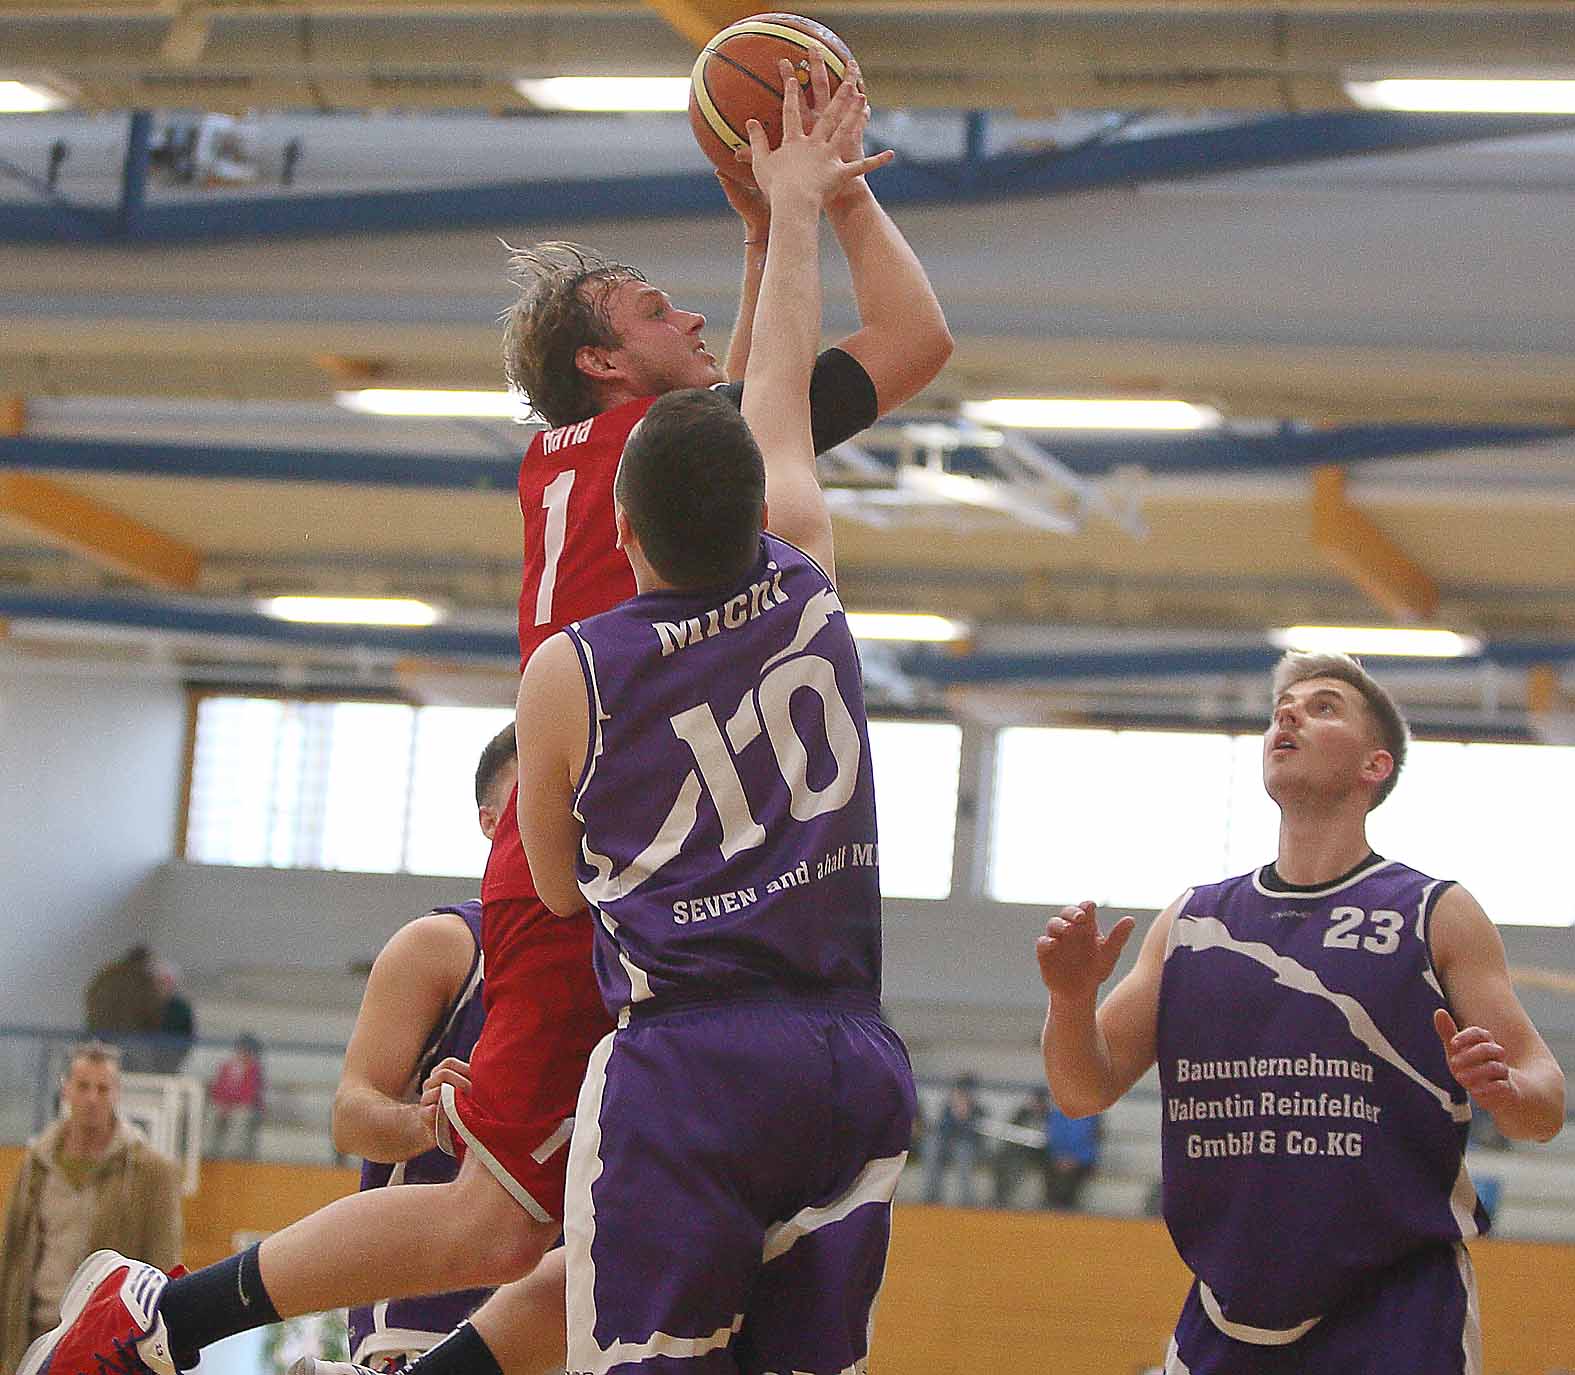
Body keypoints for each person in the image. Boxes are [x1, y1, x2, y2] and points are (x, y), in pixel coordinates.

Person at [26, 59, 944, 1375]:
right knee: (494, 1219)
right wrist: (807, 201)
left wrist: (768, 231)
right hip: (592, 880)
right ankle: (160, 1319)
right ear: (602, 362)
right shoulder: (677, 456)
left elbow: (778, 390)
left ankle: (179, 1324)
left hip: (626, 865)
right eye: (653, 306)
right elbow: (884, 352)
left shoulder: (622, 455)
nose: (688, 311)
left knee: (575, 1234)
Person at [512, 70, 915, 1375]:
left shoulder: (575, 659)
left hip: (685, 1053)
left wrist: (775, 218)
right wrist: (796, 210)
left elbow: (560, 892)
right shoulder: (801, 570)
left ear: (624, 526)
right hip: (847, 1053)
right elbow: (788, 389)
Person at [1038, 651, 1567, 1374]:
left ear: (1375, 765)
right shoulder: (1192, 920)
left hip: (1397, 1306)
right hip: (1226, 1308)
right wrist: (1070, 1000)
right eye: (1281, 709)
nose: (1288, 713)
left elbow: (1544, 1102)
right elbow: (1081, 1088)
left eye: (1323, 707)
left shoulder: (1432, 910)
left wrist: (1506, 1089)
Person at [338, 726, 514, 1371]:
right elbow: (350, 1117)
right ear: (489, 822)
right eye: (534, 794)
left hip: (559, 1311)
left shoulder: (618, 955)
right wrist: (424, 1122)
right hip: (422, 1312)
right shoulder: (442, 945)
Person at [1, 1043, 182, 1374]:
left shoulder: (151, 1172)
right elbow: (12, 1253)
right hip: (35, 1333)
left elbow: (162, 1265)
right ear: (66, 1089)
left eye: (102, 1088)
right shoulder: (36, 1164)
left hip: (106, 1343)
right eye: (83, 1086)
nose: (92, 1098)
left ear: (117, 1093)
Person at [83, 946, 164, 1071]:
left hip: (99, 1037)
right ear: (145, 961)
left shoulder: (106, 975)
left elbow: (90, 997)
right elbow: (152, 1011)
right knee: (134, 1076)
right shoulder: (142, 980)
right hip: (132, 1038)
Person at [923, 1074, 983, 1206]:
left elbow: (974, 1135)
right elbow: (941, 1129)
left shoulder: (977, 1110)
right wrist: (954, 1114)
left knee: (963, 1153)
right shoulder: (947, 1108)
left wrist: (964, 1117)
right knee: (932, 1147)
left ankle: (967, 1200)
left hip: (966, 1145)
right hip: (945, 1144)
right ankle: (931, 1196)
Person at [206, 1035, 266, 1160]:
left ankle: (234, 1154)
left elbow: (250, 1093)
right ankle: (208, 1150)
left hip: (244, 1105)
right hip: (224, 1103)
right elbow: (217, 1088)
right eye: (241, 1050)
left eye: (247, 1051)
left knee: (241, 1116)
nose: (243, 1054)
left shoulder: (255, 1070)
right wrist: (223, 1103)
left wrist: (232, 1104)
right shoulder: (226, 1067)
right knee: (212, 1112)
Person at [148, 961, 196, 1076]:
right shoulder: (146, 1004)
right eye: (159, 982)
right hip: (148, 1059)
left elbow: (188, 1035)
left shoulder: (181, 1007)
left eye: (165, 982)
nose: (162, 986)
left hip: (172, 1058)